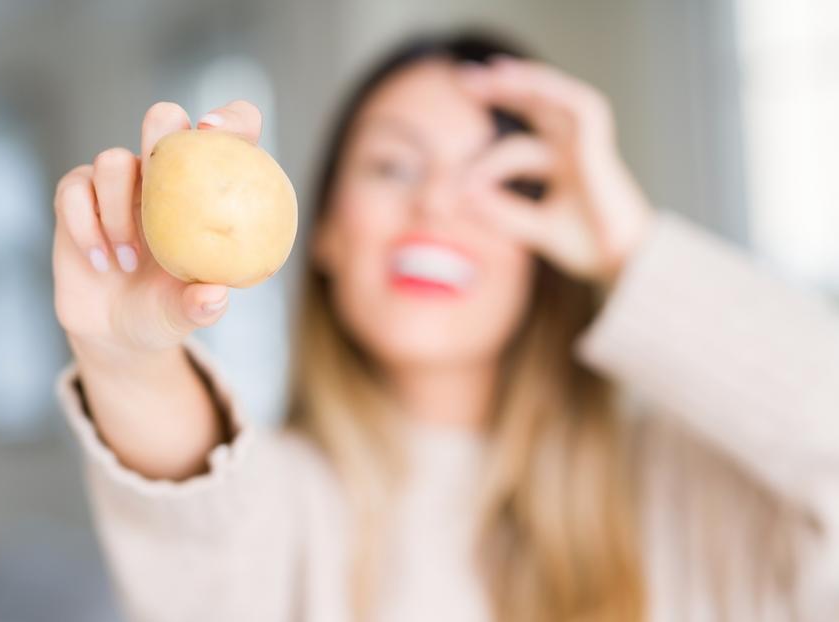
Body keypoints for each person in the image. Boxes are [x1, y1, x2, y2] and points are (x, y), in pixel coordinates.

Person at [52, 31, 839, 622]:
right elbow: (193, 524)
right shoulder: (284, 511)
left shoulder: (699, 498)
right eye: (394, 166)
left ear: (547, 250)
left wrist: (629, 248)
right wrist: (125, 359)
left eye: (499, 180)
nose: (435, 207)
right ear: (324, 229)